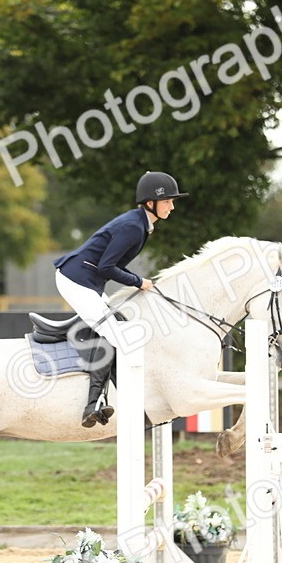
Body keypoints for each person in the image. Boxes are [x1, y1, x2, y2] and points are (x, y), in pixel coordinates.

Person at [53, 170, 188, 428]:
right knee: (119, 336)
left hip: (87, 280)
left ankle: (107, 399)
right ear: (151, 203)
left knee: (119, 326)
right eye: (168, 201)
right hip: (76, 280)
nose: (172, 206)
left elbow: (110, 266)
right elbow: (107, 267)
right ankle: (93, 404)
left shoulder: (140, 224)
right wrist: (139, 281)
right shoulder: (133, 227)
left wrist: (140, 281)